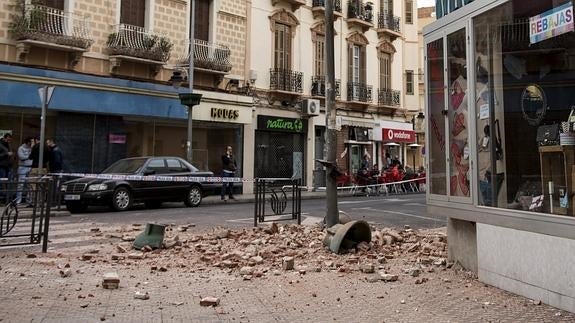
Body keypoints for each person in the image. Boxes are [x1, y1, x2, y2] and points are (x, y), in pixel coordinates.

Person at [15, 137, 34, 204]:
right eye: (31, 141)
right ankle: (18, 200)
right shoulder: (21, 148)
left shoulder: (32, 148)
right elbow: (21, 157)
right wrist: (29, 156)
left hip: (30, 167)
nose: (32, 143)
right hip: (22, 167)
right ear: (28, 142)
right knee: (20, 185)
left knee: (30, 185)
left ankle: (29, 200)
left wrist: (32, 149)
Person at [0, 133, 14, 202]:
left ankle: (8, 198)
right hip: (2, 166)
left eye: (10, 140)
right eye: (8, 139)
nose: (9, 141)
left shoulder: (9, 145)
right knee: (2, 183)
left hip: (9, 166)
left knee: (10, 182)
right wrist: (6, 154)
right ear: (5, 138)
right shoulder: (0, 145)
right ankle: (2, 198)